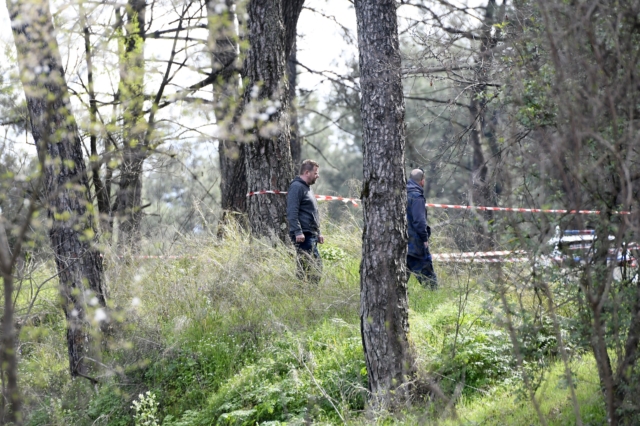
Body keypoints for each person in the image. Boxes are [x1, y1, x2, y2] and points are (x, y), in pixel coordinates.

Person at [287, 159, 324, 283]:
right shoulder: (296, 187)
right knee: (312, 266)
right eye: (316, 173)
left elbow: (312, 212)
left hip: (310, 234)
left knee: (309, 266)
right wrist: (298, 231)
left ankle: (305, 292)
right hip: (303, 235)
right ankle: (305, 292)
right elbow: (292, 211)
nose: (317, 176)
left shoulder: (307, 188)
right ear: (307, 172)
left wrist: (318, 232)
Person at [406, 169, 437, 289]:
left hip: (400, 243)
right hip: (415, 245)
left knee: (398, 281)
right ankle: (435, 302)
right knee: (429, 281)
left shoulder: (401, 195)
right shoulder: (417, 197)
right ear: (422, 181)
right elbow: (419, 221)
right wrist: (424, 239)